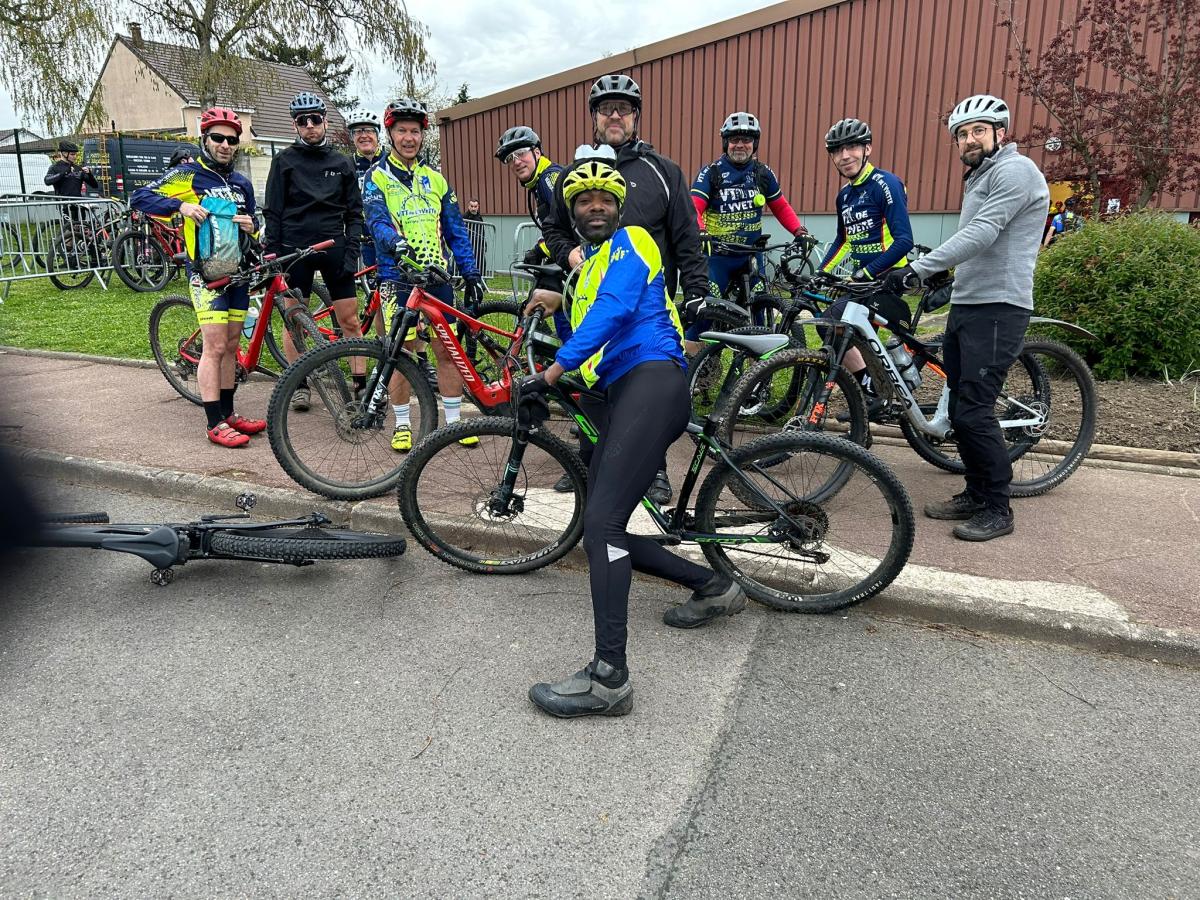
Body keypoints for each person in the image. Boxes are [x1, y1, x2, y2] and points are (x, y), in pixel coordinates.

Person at [522, 161, 746, 719]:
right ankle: (713, 584)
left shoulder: (634, 240)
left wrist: (551, 373)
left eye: (605, 198)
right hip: (622, 390)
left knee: (602, 525)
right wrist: (557, 308)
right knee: (599, 526)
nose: (595, 207)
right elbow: (590, 326)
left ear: (618, 208)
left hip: (652, 378)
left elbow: (617, 309)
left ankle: (609, 679)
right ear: (573, 214)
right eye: (584, 200)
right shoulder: (588, 267)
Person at [880, 94, 1049, 542]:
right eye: (962, 134)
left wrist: (919, 269)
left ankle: (997, 507)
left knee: (974, 410)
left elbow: (984, 232)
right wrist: (945, 277)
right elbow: (978, 244)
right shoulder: (980, 176)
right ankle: (976, 492)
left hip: (999, 307)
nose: (969, 139)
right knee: (959, 406)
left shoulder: (1015, 171)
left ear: (1000, 133)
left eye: (978, 131)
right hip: (970, 304)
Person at [541, 73, 709, 506]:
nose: (614, 116)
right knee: (590, 387)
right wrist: (568, 255)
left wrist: (696, 293)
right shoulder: (574, 173)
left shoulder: (663, 171)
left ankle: (654, 471)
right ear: (594, 117)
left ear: (636, 116)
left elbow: (686, 236)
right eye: (605, 109)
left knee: (642, 394)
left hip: (643, 312)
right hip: (589, 304)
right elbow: (553, 228)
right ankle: (589, 463)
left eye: (624, 109)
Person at [130, 108, 263, 447]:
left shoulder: (242, 183)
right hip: (206, 276)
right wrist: (180, 207)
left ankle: (229, 414)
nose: (225, 145)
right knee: (215, 346)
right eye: (218, 138)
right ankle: (213, 422)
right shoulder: (188, 175)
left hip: (238, 275)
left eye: (231, 140)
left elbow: (255, 227)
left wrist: (252, 226)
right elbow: (139, 197)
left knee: (231, 345)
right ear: (205, 139)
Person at [363, 97, 485, 452]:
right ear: (390, 134)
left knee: (447, 351)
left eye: (415, 131)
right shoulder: (376, 178)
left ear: (422, 136)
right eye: (402, 131)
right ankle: (403, 425)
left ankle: (454, 424)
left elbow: (455, 230)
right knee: (400, 354)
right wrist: (396, 244)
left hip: (438, 280)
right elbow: (376, 221)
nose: (409, 138)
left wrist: (471, 272)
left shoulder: (436, 179)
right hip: (397, 278)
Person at [264, 91, 364, 411]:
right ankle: (299, 385)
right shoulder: (283, 161)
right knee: (295, 320)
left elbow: (354, 214)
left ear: (325, 121)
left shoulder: (342, 162)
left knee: (350, 320)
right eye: (302, 121)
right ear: (295, 125)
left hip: (335, 247)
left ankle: (360, 386)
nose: (309, 125)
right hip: (295, 250)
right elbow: (273, 212)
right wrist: (273, 255)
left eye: (315, 119)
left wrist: (352, 251)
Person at [814, 118, 914, 410]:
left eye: (852, 147)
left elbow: (904, 240)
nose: (845, 156)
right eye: (837, 150)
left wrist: (867, 272)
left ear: (867, 149)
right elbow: (843, 240)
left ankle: (873, 389)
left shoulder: (886, 183)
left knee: (836, 325)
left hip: (888, 277)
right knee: (835, 329)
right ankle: (874, 388)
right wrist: (821, 273)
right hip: (864, 282)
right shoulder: (845, 195)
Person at [688, 111, 808, 352]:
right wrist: (700, 230)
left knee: (759, 307)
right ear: (726, 142)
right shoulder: (711, 172)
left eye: (746, 139)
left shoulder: (763, 173)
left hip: (751, 255)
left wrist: (799, 231)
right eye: (734, 139)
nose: (740, 145)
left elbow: (781, 206)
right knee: (706, 309)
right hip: (718, 256)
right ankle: (694, 361)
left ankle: (759, 368)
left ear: (755, 143)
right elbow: (694, 207)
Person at [345, 108, 385, 274]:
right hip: (363, 239)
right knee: (370, 283)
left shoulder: (390, 162)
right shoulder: (346, 165)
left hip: (391, 235)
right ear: (352, 137)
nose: (363, 135)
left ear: (377, 134)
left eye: (368, 130)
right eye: (357, 131)